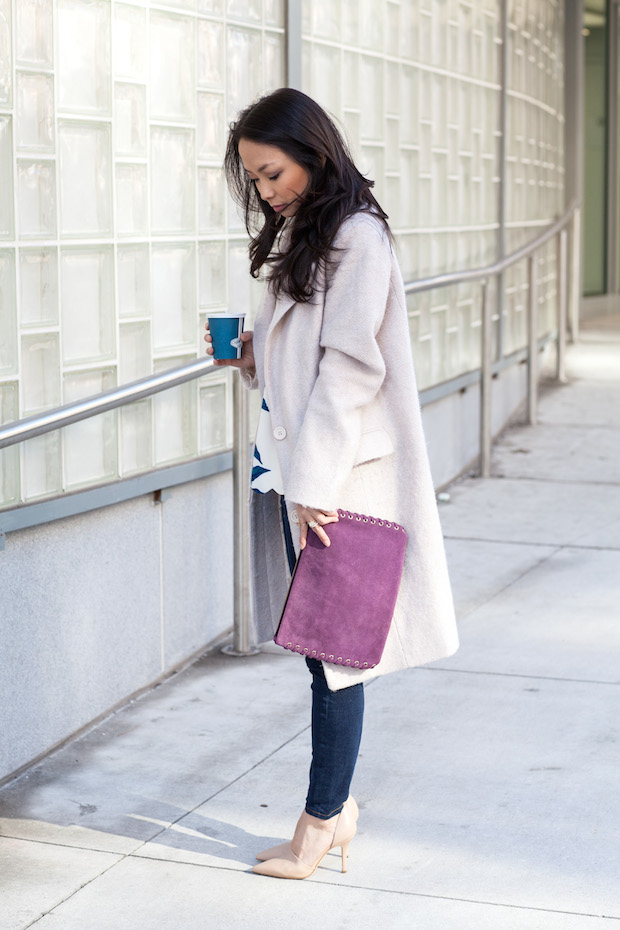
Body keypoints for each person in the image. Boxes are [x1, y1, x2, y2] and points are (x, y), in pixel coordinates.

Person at [204, 87, 458, 880]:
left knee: (334, 654)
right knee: (324, 650)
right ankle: (333, 813)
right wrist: (253, 358)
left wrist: (315, 481)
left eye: (272, 173)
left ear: (312, 152)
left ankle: (323, 822)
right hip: (302, 467)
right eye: (254, 179)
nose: (265, 191)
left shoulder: (357, 236)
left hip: (339, 477)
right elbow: (310, 357)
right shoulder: (311, 231)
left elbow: (351, 367)